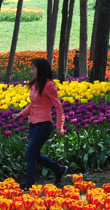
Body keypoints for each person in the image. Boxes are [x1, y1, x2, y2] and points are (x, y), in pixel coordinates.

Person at [12, 58, 68, 190]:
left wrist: (59, 126)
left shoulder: (49, 85)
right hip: (33, 124)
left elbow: (58, 107)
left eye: (33, 69)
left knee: (30, 154)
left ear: (41, 70)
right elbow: (33, 104)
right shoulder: (35, 84)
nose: (31, 71)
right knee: (34, 154)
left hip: (43, 125)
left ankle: (29, 185)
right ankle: (58, 169)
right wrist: (21, 114)